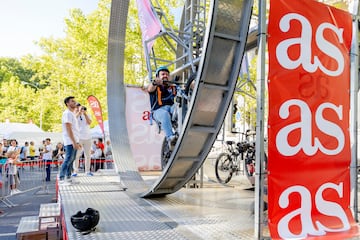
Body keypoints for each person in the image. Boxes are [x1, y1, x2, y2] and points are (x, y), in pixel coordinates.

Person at [146, 66, 177, 147]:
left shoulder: (172, 87)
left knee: (179, 106)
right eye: (163, 74)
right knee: (164, 114)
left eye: (167, 74)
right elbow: (150, 89)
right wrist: (155, 82)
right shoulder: (155, 86)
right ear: (158, 76)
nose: (165, 76)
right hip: (157, 111)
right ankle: (170, 137)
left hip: (171, 108)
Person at [59, 96, 81, 184]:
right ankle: (62, 178)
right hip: (69, 141)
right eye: (72, 101)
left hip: (74, 140)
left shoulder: (72, 114)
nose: (74, 102)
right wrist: (73, 142)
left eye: (74, 101)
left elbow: (74, 129)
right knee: (68, 159)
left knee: (72, 160)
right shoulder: (67, 113)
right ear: (67, 103)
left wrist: (77, 142)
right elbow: (68, 129)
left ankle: (68, 177)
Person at [73, 103, 93, 177]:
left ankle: (87, 171)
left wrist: (85, 114)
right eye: (80, 108)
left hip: (88, 137)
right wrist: (79, 112)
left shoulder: (87, 115)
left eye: (83, 109)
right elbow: (74, 120)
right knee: (77, 155)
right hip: (79, 138)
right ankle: (75, 171)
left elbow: (89, 122)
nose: (82, 110)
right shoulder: (75, 115)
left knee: (88, 155)